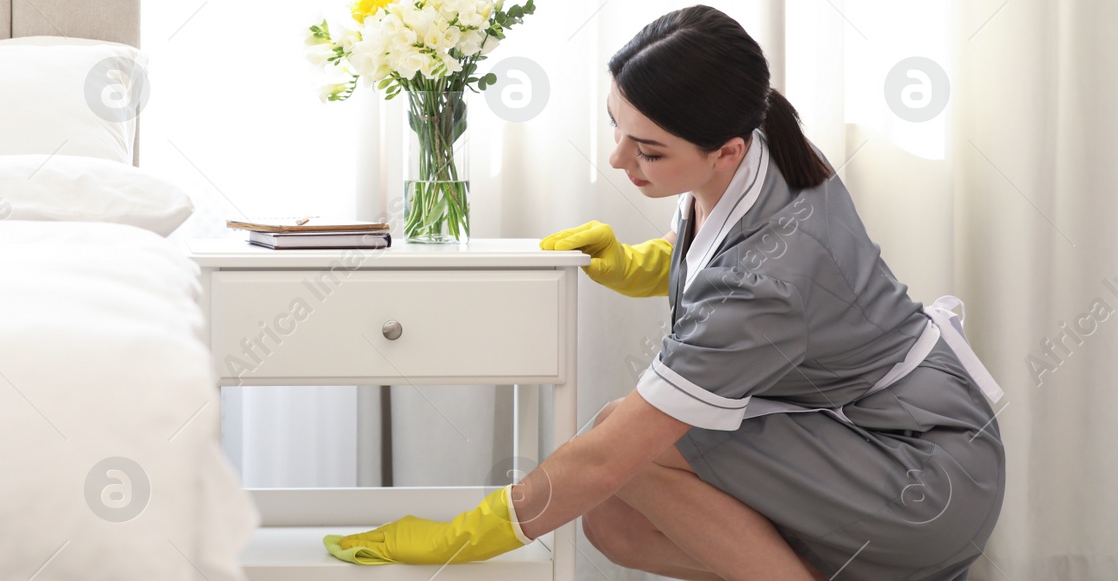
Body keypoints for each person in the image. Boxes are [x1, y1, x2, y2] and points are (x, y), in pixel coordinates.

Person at [323, 5, 1006, 580]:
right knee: (612, 522)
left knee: (626, 448)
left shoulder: (773, 266)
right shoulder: (761, 135)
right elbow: (749, 282)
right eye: (616, 126)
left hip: (922, 476)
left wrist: (461, 539)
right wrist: (638, 263)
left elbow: (616, 444)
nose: (619, 159)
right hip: (869, 440)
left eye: (647, 150)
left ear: (726, 150)